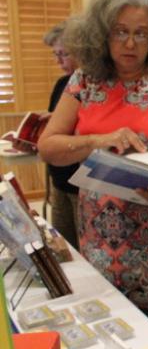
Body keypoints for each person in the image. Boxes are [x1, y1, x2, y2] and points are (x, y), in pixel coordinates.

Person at [37, 0, 148, 340]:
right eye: (121, 32)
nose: (130, 43)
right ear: (102, 34)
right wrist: (98, 141)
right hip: (101, 235)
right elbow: (49, 146)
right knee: (111, 330)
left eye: (141, 33)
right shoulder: (83, 82)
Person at [42, 21, 80, 249]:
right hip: (59, 180)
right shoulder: (61, 84)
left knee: (84, 250)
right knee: (64, 246)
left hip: (80, 182)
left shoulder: (91, 85)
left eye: (63, 55)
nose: (58, 61)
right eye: (55, 55)